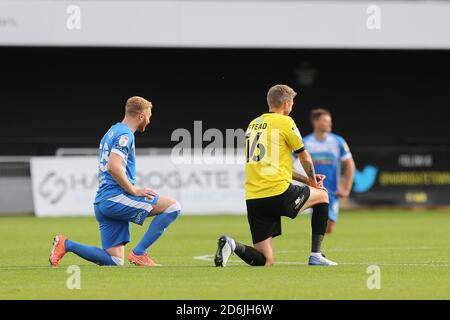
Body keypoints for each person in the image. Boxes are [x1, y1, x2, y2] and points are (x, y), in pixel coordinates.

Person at [49, 96, 181, 267]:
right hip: (115, 198)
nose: (149, 121)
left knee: (114, 261)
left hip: (103, 201)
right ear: (140, 116)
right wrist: (133, 190)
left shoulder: (112, 131)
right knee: (172, 207)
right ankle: (140, 253)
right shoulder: (125, 135)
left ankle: (66, 244)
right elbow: (113, 166)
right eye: (148, 116)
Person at [215, 84, 337, 267]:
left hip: (255, 199)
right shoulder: (286, 122)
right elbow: (304, 155)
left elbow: (278, 167)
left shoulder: (253, 124)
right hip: (278, 193)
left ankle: (232, 245)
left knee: (266, 260)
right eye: (292, 103)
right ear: (287, 103)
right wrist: (314, 182)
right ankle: (316, 255)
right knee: (323, 196)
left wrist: (306, 180)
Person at [293, 108, 355, 234]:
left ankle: (318, 250)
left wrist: (346, 188)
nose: (329, 124)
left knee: (329, 228)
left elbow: (350, 164)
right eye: (326, 121)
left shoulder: (338, 141)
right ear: (316, 122)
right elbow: (289, 162)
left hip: (332, 191)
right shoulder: (305, 142)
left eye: (329, 121)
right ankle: (316, 250)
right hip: (314, 189)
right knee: (319, 225)